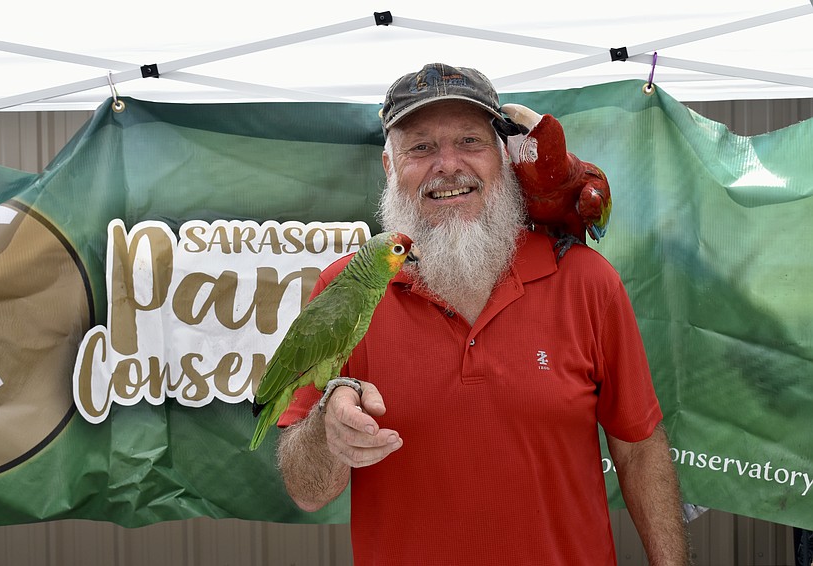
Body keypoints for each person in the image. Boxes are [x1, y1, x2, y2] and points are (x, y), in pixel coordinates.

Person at [275, 62, 690, 565]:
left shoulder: (587, 281)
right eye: (421, 147)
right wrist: (326, 426)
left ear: (503, 156)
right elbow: (307, 491)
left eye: (470, 141)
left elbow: (640, 449)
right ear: (389, 168)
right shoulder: (346, 288)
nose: (448, 165)